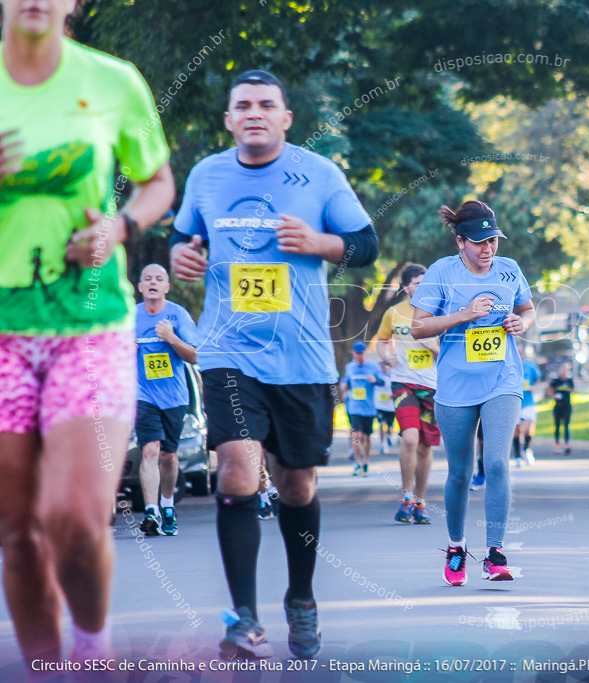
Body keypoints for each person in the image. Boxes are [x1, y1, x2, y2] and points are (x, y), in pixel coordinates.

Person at [170, 69, 378, 659]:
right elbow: (183, 236)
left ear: (286, 117)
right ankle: (243, 618)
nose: (255, 112)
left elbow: (366, 243)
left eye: (267, 104)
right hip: (228, 350)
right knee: (237, 468)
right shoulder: (206, 175)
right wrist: (183, 255)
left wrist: (321, 244)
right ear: (229, 120)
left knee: (296, 484)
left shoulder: (319, 173)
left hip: (303, 355)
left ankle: (302, 599)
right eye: (243, 105)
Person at [0, 0, 175, 664]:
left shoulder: (112, 81)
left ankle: (93, 650)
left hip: (89, 326)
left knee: (73, 518)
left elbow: (157, 180)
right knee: (18, 532)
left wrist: (120, 227)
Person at [411, 200, 535, 585]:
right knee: (460, 473)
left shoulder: (509, 269)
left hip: (503, 379)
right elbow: (418, 328)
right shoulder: (441, 273)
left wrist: (521, 322)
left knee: (497, 462)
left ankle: (496, 552)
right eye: (480, 242)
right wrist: (464, 314)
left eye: (493, 241)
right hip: (455, 385)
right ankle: (456, 547)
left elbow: (529, 309)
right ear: (461, 241)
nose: (488, 249)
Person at [134, 264, 198, 537]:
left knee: (168, 455)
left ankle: (168, 505)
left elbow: (195, 356)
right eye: (147, 278)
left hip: (174, 396)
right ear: (140, 286)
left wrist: (171, 337)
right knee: (150, 449)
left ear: (166, 287)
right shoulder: (130, 316)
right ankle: (151, 511)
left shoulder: (178, 314)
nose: (153, 282)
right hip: (141, 393)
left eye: (159, 279)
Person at [375, 263, 440, 524]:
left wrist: (431, 345)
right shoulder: (394, 313)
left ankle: (421, 501)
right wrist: (385, 356)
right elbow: (381, 340)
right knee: (410, 439)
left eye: (426, 283)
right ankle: (406, 496)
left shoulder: (438, 311)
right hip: (403, 384)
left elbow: (447, 349)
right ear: (405, 286)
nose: (421, 288)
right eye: (417, 283)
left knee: (425, 446)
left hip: (432, 387)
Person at [341, 340, 384, 477]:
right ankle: (357, 463)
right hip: (354, 407)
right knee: (356, 435)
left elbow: (382, 381)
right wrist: (343, 389)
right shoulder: (350, 367)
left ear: (364, 353)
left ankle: (366, 461)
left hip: (369, 408)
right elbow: (345, 381)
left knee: (366, 437)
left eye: (361, 353)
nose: (359, 356)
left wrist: (374, 380)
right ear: (353, 353)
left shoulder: (373, 367)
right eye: (357, 353)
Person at [511, 346, 542, 466]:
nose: (519, 354)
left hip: (528, 401)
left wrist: (533, 387)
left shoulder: (530, 366)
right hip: (514, 403)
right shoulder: (509, 365)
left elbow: (537, 380)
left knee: (528, 428)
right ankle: (518, 456)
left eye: (520, 352)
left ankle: (527, 449)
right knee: (516, 431)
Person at [547, 362, 574, 454]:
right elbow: (549, 391)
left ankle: (567, 444)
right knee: (557, 426)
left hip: (567, 406)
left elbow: (574, 389)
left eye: (565, 369)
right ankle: (557, 444)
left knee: (566, 426)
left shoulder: (569, 381)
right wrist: (554, 396)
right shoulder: (556, 381)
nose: (563, 371)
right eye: (561, 369)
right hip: (558, 406)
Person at [374, 364, 395, 455]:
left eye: (385, 366)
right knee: (382, 424)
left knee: (390, 428)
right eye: (381, 366)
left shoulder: (393, 376)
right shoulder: (376, 376)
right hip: (380, 406)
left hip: (391, 407)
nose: (383, 368)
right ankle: (383, 444)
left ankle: (389, 436)